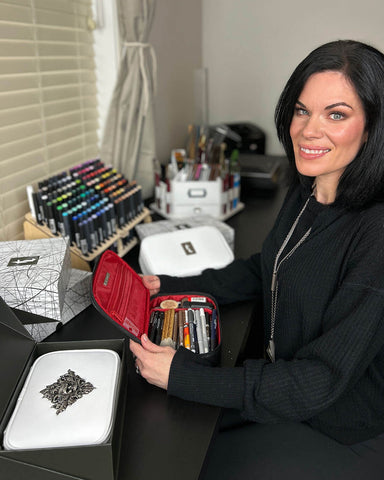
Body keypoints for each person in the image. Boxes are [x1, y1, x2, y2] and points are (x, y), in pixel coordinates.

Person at [130, 39, 384, 479]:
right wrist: (170, 287)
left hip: (338, 423)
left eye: (336, 114)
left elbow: (320, 380)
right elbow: (266, 266)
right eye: (301, 110)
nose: (308, 130)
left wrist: (186, 378)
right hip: (280, 385)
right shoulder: (309, 186)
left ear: (373, 126)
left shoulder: (376, 232)